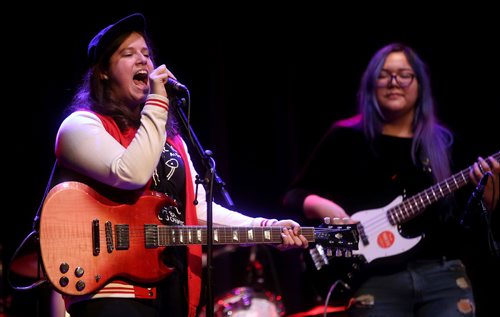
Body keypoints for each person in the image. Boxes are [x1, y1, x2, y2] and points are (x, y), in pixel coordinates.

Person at [50, 12, 309, 317]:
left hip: (170, 286)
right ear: (103, 71)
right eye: (128, 54)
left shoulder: (170, 140)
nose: (143, 62)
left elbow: (195, 210)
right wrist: (158, 102)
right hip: (112, 289)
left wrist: (266, 228)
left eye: (147, 54)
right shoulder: (80, 126)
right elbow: (130, 173)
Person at [283, 42, 499, 316]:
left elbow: (466, 224)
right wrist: (325, 207)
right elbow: (293, 195)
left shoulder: (442, 142)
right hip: (373, 280)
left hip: (443, 276)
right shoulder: (345, 137)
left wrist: (491, 197)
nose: (394, 82)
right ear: (371, 83)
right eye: (384, 74)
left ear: (419, 84)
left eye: (404, 74)